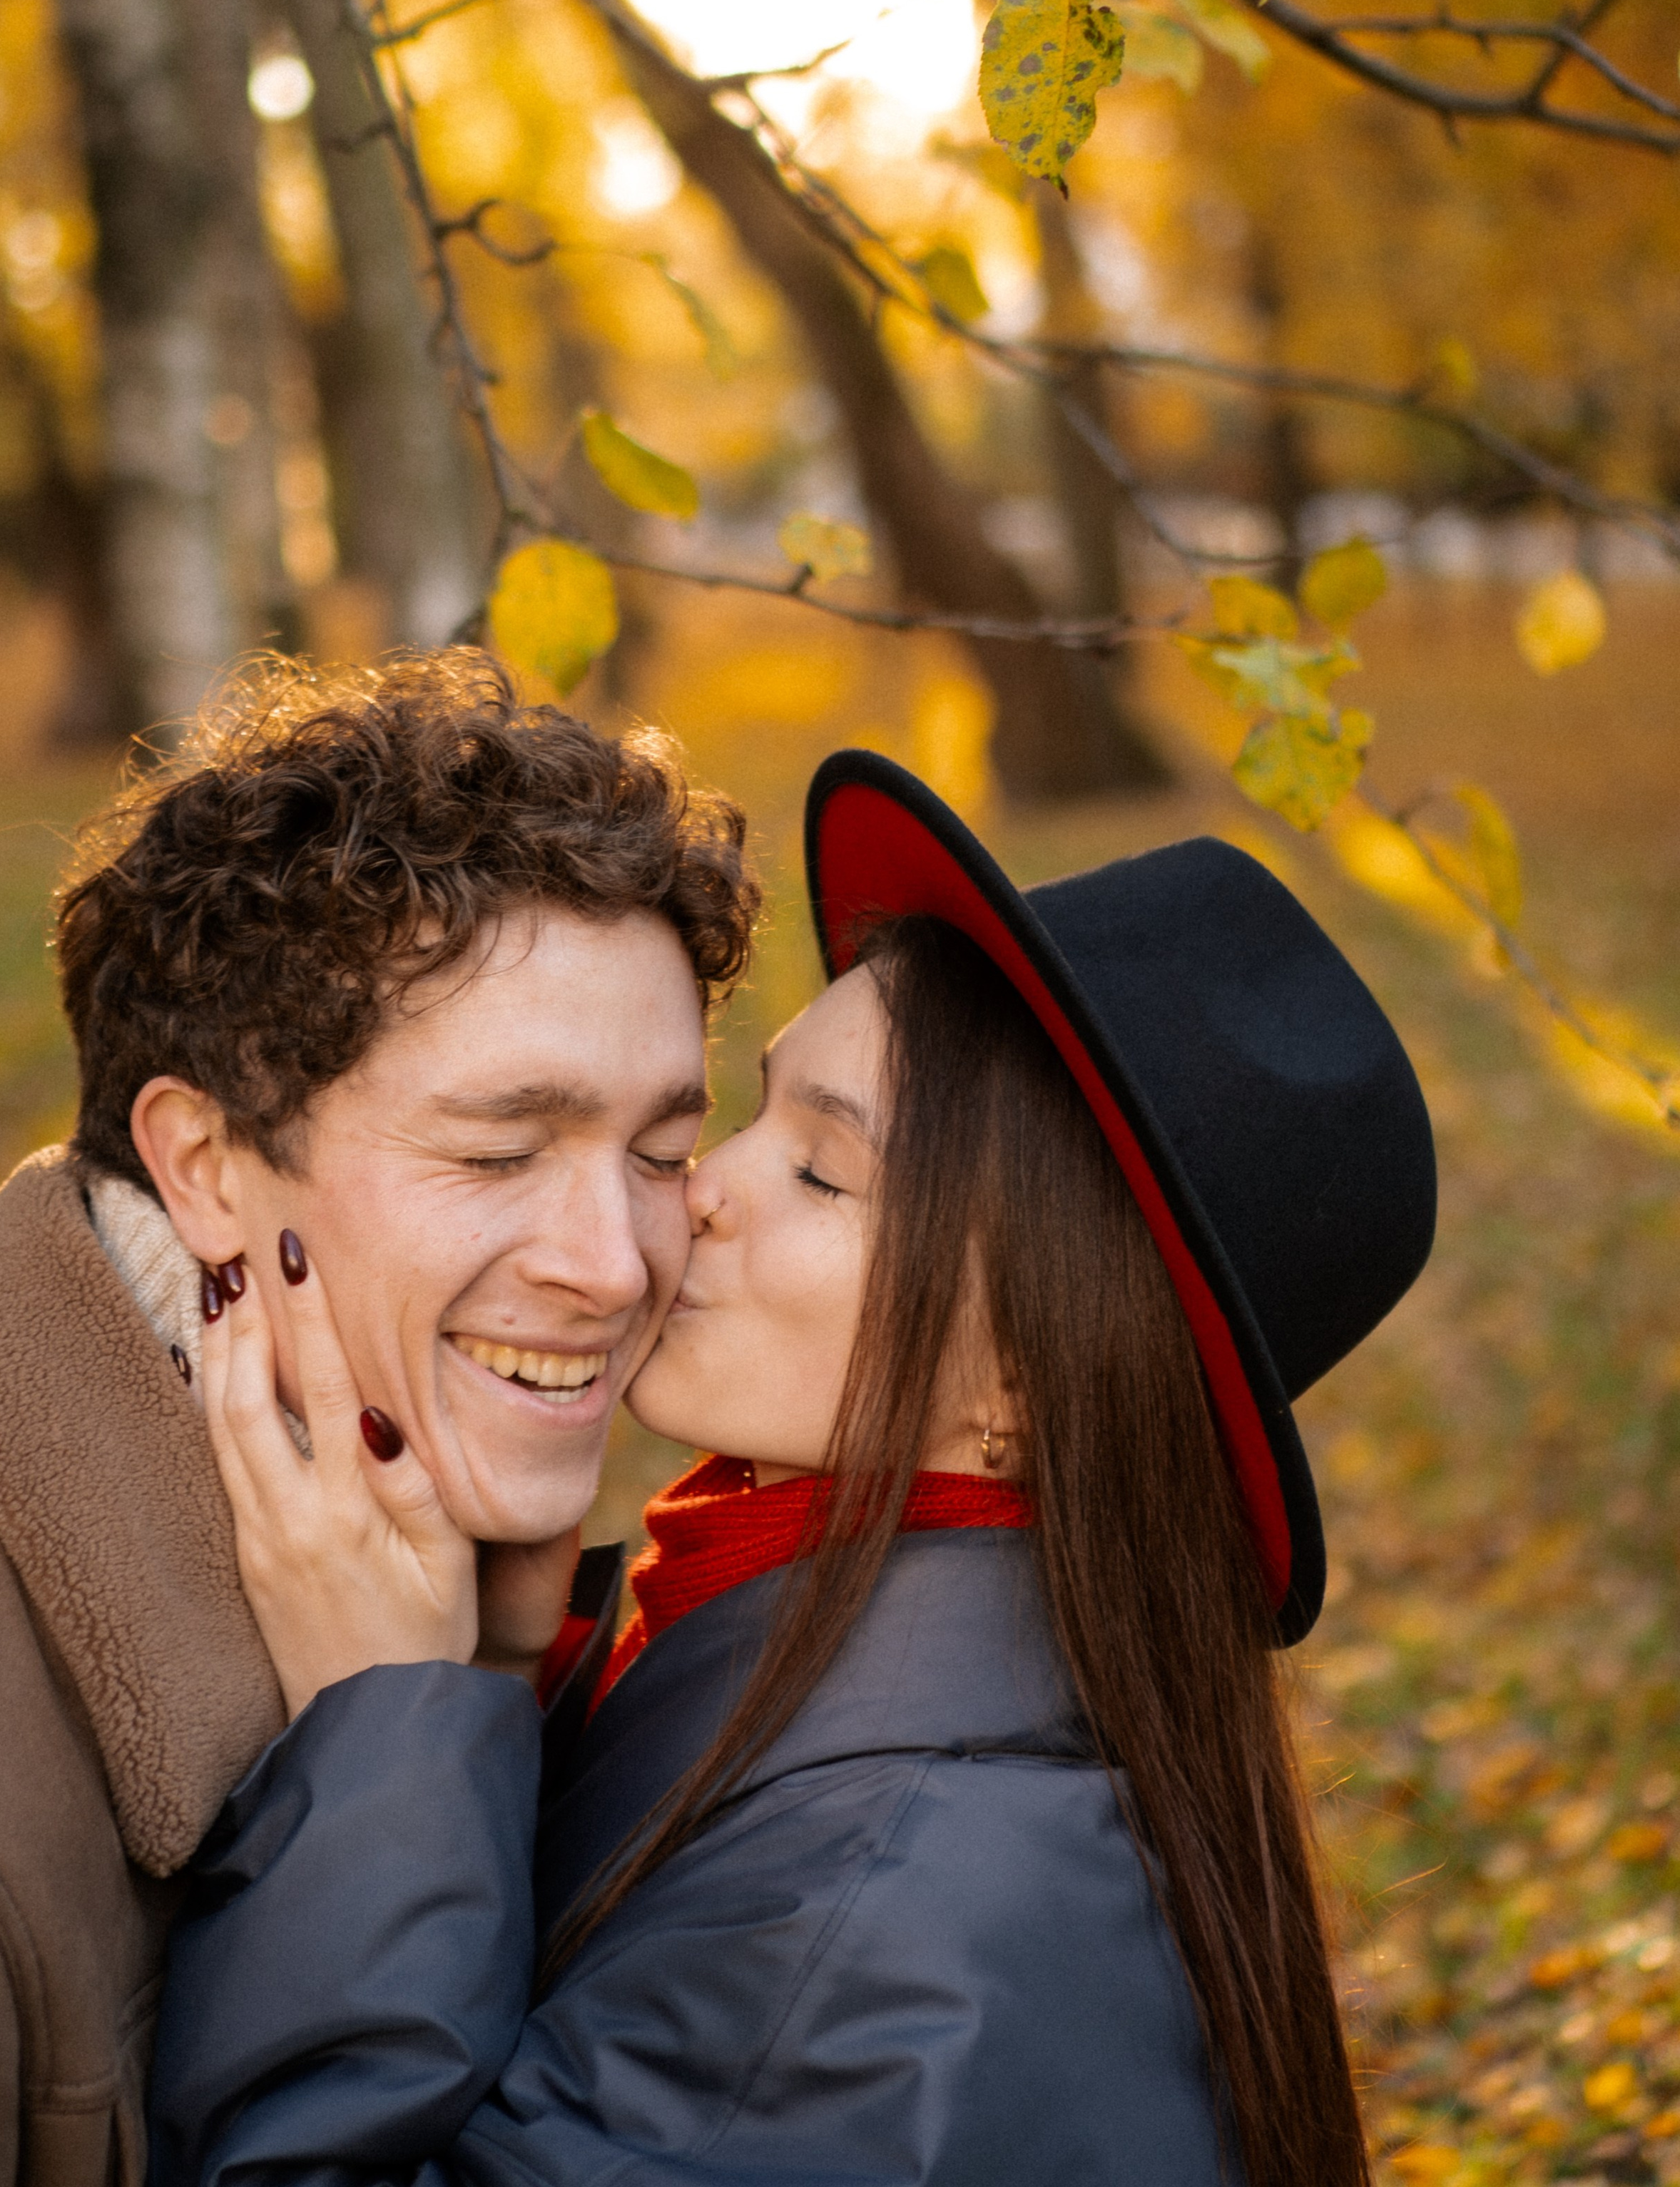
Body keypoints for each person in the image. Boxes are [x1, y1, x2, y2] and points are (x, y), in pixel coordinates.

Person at [147, 748, 1438, 2187]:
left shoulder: (879, 1930)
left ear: (1025, 1388)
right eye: (745, 1116)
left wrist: (376, 1734)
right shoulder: (823, 1665)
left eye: (821, 1174)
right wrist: (509, 1677)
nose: (694, 1193)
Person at [0, 652, 758, 2187]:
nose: (615, 1267)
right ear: (204, 1167)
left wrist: (483, 1699)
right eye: (495, 1154)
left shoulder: (470, 1593)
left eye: (662, 1152)